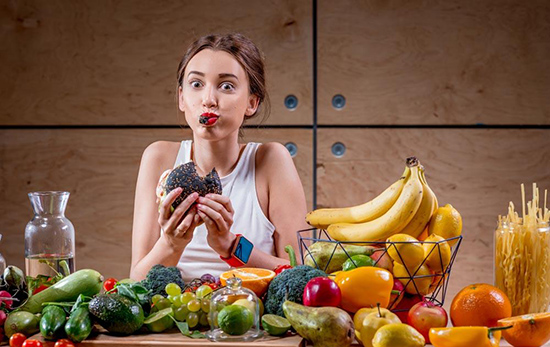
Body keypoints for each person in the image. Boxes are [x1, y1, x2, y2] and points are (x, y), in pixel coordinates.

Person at [130, 33, 309, 282]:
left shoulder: (270, 160)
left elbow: (301, 273)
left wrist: (231, 246)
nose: (209, 100)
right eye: (196, 84)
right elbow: (136, 279)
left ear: (252, 102)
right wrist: (171, 243)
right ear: (182, 98)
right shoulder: (159, 158)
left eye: (226, 86)